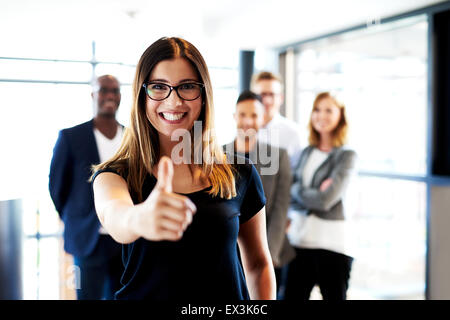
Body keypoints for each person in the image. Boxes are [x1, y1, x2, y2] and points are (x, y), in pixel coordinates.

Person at [90, 37, 276, 300]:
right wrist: (140, 218)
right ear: (142, 96)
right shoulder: (115, 175)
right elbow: (115, 216)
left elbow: (258, 265)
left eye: (187, 86)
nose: (173, 101)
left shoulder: (240, 172)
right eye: (158, 87)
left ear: (204, 95)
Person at [49, 75, 124, 300]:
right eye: (103, 90)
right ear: (93, 95)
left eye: (114, 91)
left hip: (124, 238)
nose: (109, 96)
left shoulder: (131, 137)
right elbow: (56, 187)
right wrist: (75, 218)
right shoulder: (71, 137)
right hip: (87, 239)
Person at [284, 92, 356, 301]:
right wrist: (309, 191)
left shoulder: (346, 156)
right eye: (317, 109)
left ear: (340, 116)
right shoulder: (306, 152)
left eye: (328, 110)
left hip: (333, 246)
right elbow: (290, 190)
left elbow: (326, 200)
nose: (321, 115)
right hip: (300, 240)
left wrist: (300, 190)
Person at [223, 90, 294, 299]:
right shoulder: (217, 156)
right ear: (235, 117)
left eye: (254, 115)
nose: (247, 121)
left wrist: (267, 257)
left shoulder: (278, 156)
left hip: (267, 252)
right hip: (228, 254)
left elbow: (281, 209)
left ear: (262, 119)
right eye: (242, 114)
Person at [251, 71, 302, 168]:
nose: (267, 101)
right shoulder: (241, 131)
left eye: (272, 95)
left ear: (281, 98)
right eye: (262, 95)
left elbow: (296, 174)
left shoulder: (293, 133)